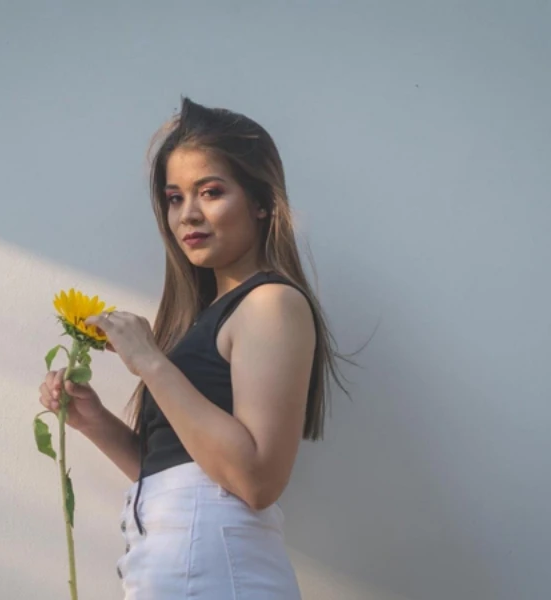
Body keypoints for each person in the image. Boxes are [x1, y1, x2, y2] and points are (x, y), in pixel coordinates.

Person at [38, 97, 349, 599]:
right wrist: (94, 422)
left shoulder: (271, 303)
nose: (188, 214)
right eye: (175, 197)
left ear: (262, 201)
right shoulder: (208, 317)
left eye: (210, 192)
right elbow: (186, 469)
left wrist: (150, 362)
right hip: (177, 567)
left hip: (214, 572)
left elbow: (256, 480)